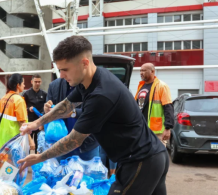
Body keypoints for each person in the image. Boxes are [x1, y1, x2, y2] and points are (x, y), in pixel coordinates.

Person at [18, 36, 169, 195]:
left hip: (140, 161)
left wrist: (40, 157)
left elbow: (73, 141)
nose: (61, 75)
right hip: (153, 155)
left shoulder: (101, 96)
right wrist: (35, 123)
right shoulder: (91, 80)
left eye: (65, 69)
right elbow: (66, 105)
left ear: (84, 63)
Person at [45, 78, 99, 161]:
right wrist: (47, 110)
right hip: (62, 144)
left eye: (65, 69)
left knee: (90, 173)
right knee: (62, 173)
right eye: (60, 70)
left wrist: (73, 113)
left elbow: (96, 112)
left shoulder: (92, 85)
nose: (62, 74)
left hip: (88, 145)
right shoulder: (54, 86)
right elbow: (49, 113)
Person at [135, 63, 174, 146]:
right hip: (142, 130)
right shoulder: (141, 86)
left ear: (152, 71)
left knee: (158, 156)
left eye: (144, 70)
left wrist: (167, 128)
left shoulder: (161, 86)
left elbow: (168, 107)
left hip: (157, 132)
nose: (141, 73)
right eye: (140, 70)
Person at [0, 74, 35, 150]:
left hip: (3, 139)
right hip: (14, 140)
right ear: (18, 85)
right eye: (23, 83)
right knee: (16, 162)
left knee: (5, 161)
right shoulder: (18, 100)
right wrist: (30, 140)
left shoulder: (3, 98)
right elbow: (22, 123)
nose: (24, 85)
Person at [23, 74, 47, 153]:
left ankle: (37, 161)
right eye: (36, 81)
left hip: (40, 122)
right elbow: (22, 107)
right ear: (31, 82)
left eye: (39, 82)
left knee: (39, 142)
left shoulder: (44, 94)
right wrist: (28, 109)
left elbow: (47, 107)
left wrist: (43, 114)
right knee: (28, 143)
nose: (37, 83)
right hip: (30, 122)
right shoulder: (26, 94)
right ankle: (27, 159)